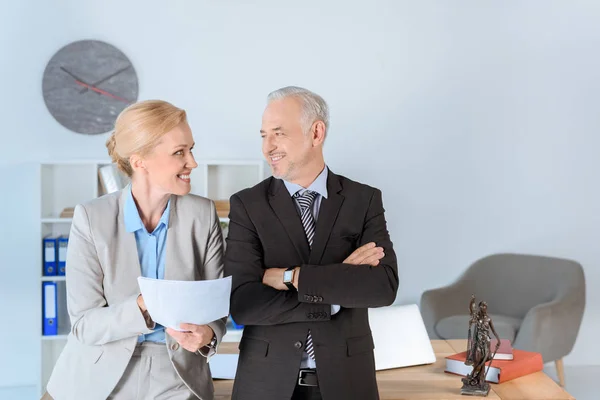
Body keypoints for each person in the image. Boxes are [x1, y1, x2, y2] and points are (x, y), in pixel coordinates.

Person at [44, 100, 226, 400]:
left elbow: (215, 307)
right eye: (179, 152)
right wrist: (145, 305)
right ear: (140, 161)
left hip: (178, 375)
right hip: (98, 375)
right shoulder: (92, 218)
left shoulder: (203, 214)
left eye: (191, 149)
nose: (192, 162)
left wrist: (207, 334)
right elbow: (85, 325)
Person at [225, 86, 399, 400]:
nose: (268, 147)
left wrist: (291, 278)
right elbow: (243, 303)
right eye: (263, 135)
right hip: (265, 384)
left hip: (347, 383)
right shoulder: (247, 205)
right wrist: (336, 288)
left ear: (316, 132)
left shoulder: (363, 200)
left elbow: (382, 287)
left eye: (278, 133)